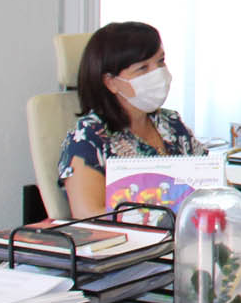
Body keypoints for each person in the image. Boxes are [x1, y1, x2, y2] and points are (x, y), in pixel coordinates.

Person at [57, 21, 202, 218]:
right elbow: (88, 214)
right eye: (143, 68)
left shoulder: (171, 123)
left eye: (160, 61)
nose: (158, 73)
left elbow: (208, 181)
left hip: (186, 238)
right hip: (131, 243)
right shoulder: (88, 139)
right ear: (111, 82)